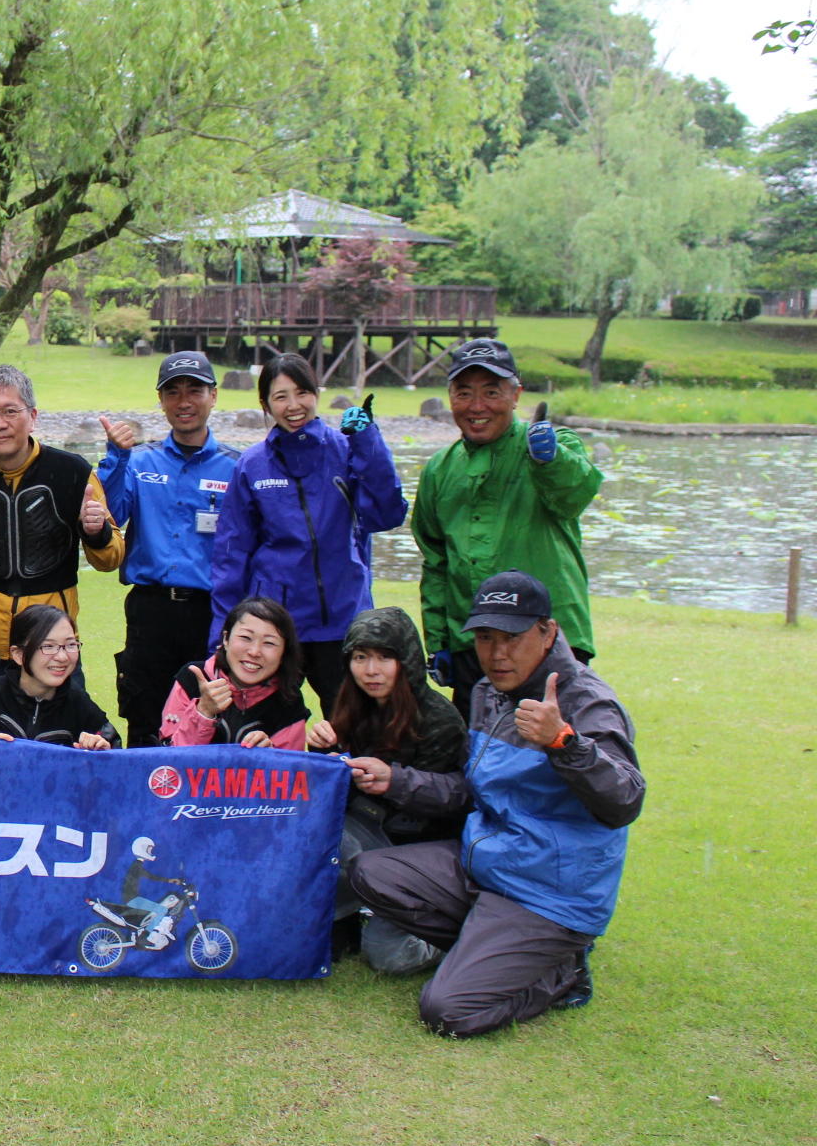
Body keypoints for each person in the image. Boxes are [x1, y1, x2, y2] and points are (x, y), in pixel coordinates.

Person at [347, 571, 645, 1038]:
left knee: (447, 1011)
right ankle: (492, 949)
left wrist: (563, 742)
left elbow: (624, 801)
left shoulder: (587, 703)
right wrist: (396, 780)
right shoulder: (489, 692)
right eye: (486, 638)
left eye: (512, 637)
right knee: (369, 871)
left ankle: (561, 970)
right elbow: (470, 790)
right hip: (485, 866)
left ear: (548, 632)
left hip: (547, 892)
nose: (497, 653)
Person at [411, 338, 604, 716]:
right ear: (450, 397)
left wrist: (550, 461)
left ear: (516, 394)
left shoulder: (550, 446)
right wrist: (438, 640)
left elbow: (575, 493)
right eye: (464, 393)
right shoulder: (439, 469)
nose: (477, 406)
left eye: (491, 392)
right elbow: (435, 561)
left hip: (550, 638)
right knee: (478, 755)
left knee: (557, 749)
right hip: (475, 643)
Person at [210, 353, 407, 713]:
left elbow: (386, 513)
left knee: (354, 728)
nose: (293, 406)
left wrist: (369, 443)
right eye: (280, 396)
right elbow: (231, 553)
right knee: (265, 730)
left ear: (316, 392)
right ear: (265, 404)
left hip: (345, 617)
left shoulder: (347, 449)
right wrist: (221, 635)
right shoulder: (252, 464)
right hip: (277, 627)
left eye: (301, 392)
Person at [0, 366, 124, 712]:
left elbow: (110, 560)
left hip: (50, 642)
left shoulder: (74, 473)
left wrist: (96, 532)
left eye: (10, 411)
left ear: (32, 417)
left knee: (64, 745)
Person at [304, 606, 468, 974]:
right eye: (361, 658)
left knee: (389, 956)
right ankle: (342, 917)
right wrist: (323, 753)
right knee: (315, 832)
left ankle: (460, 932)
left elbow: (451, 805)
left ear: (406, 660)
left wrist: (392, 781)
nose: (371, 671)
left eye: (384, 658)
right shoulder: (352, 704)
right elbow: (330, 798)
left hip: (421, 850)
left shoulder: (439, 720)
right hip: (371, 834)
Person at [97, 351, 241, 747]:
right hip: (151, 611)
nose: (184, 402)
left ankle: (202, 804)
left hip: (211, 613)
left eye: (194, 390)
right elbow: (107, 514)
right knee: (145, 716)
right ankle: (141, 801)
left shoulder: (237, 467)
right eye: (173, 392)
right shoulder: (140, 461)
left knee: (211, 714)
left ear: (213, 395)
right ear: (161, 401)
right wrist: (116, 456)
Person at [0, 605, 117, 748]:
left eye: (71, 645)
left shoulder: (79, 704)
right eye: (48, 646)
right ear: (19, 654)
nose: (62, 657)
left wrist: (101, 750)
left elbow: (116, 759)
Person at [161, 596, 309, 750]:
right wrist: (203, 712)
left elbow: (291, 770)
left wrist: (269, 756)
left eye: (269, 643)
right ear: (226, 639)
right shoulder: (192, 679)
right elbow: (170, 760)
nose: (254, 651)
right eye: (245, 637)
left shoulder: (289, 700)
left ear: (284, 652)